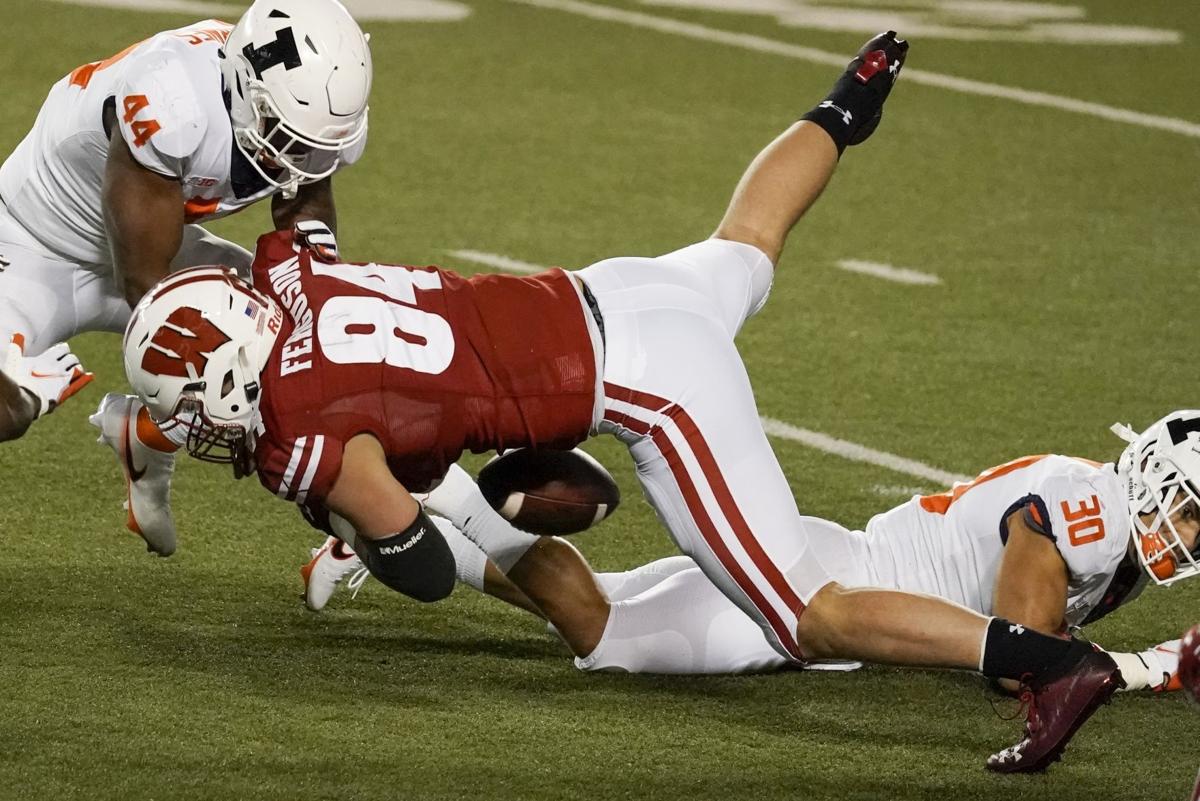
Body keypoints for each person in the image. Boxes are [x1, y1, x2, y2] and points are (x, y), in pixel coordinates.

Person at [120, 31, 1121, 772]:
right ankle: (847, 104)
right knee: (746, 241)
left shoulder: (299, 432)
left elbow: (422, 568)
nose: (202, 432)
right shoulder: (294, 274)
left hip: (649, 384)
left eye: (198, 412)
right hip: (616, 291)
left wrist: (361, 507)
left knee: (809, 616)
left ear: (228, 377)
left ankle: (1047, 660)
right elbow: (307, 191)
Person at [303, 423, 1198, 693]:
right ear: (1153, 473)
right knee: (603, 631)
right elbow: (1020, 658)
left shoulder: (1100, 505)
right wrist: (1150, 665)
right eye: (1189, 511)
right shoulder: (1088, 512)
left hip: (836, 563)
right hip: (827, 588)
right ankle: (431, 488)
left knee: (605, 596)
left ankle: (398, 515)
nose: (1185, 535)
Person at [0, 0, 371, 556]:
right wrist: (233, 398)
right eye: (283, 134)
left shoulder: (305, 107)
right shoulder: (171, 101)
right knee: (8, 412)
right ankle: (150, 431)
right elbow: (146, 286)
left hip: (161, 245)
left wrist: (315, 301)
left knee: (322, 350)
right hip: (30, 247)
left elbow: (306, 195)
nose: (295, 155)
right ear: (245, 88)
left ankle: (359, 516)